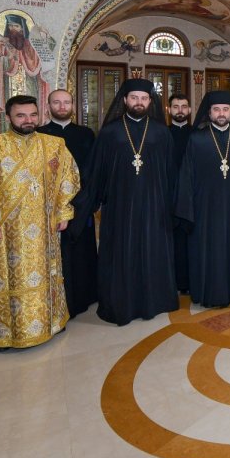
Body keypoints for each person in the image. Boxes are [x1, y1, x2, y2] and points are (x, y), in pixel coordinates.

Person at [0, 95, 78, 349]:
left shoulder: (55, 145)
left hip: (44, 227)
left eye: (33, 115)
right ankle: (2, 334)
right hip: (5, 230)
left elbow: (68, 179)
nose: (28, 120)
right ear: (8, 118)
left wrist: (62, 212)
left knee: (46, 275)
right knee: (4, 277)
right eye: (21, 115)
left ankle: (50, 323)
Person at [70, 79, 178, 324]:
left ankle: (155, 301)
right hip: (120, 204)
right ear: (125, 100)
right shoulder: (110, 132)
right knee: (122, 252)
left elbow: (171, 173)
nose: (139, 102)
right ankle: (121, 303)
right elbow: (95, 172)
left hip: (154, 205)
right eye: (134, 98)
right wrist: (82, 205)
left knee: (153, 250)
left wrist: (172, 206)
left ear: (150, 102)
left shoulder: (161, 132)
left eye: (144, 98)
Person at [176, 91, 230, 307]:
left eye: (225, 109)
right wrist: (188, 211)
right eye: (216, 109)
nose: (221, 114)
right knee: (209, 251)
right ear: (209, 112)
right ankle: (209, 294)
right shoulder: (196, 139)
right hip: (205, 208)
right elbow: (186, 177)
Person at [36, 89, 98, 316]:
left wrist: (87, 202)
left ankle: (83, 297)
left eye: (66, 102)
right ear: (48, 106)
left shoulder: (86, 134)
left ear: (73, 105)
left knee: (81, 253)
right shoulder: (39, 134)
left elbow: (93, 171)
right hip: (48, 207)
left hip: (81, 204)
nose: (62, 107)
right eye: (57, 102)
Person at [0, 12, 50, 133]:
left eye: (16, 26)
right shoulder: (3, 44)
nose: (13, 29)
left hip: (29, 86)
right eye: (10, 26)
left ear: (22, 28)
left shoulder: (30, 45)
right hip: (7, 87)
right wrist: (6, 60)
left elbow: (39, 62)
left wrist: (43, 38)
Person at [166, 93, 192, 293]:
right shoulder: (162, 135)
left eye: (184, 106)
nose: (180, 110)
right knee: (171, 241)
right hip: (168, 196)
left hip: (192, 198)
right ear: (169, 110)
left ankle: (190, 281)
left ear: (190, 110)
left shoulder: (198, 135)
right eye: (176, 107)